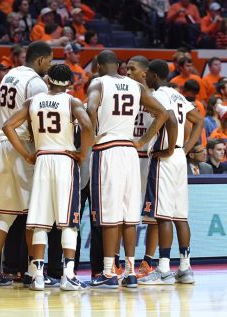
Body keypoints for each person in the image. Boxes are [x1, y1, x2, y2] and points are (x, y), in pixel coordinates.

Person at [3, 64, 92, 291]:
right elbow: (88, 124)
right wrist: (83, 153)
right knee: (68, 222)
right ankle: (69, 275)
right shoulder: (72, 102)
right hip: (64, 159)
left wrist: (26, 154)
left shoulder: (33, 101)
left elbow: (8, 126)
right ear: (69, 83)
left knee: (40, 221)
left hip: (42, 159)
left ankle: (38, 276)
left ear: (48, 80)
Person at [86, 51, 168, 288]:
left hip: (108, 149)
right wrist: (142, 141)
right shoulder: (135, 86)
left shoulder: (98, 83)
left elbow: (91, 108)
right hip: (130, 152)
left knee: (110, 217)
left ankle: (109, 273)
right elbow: (162, 113)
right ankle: (130, 272)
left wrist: (91, 135)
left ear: (100, 66)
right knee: (129, 217)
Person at [0, 41, 53, 287]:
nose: (50, 66)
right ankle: (34, 271)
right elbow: (37, 121)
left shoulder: (9, 76)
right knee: (34, 212)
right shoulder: (37, 83)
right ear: (41, 60)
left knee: (6, 212)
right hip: (22, 145)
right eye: (50, 61)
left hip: (3, 144)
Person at [138, 58, 203, 285]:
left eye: (147, 75)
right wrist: (184, 149)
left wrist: (166, 147)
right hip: (178, 159)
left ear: (154, 75)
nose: (145, 77)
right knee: (180, 216)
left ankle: (164, 268)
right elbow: (199, 120)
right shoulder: (177, 95)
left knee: (163, 215)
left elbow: (170, 119)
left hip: (165, 158)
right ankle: (185, 268)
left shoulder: (157, 96)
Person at [126, 56, 157, 278]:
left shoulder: (157, 98)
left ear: (144, 73)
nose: (127, 72)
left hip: (147, 158)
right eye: (126, 68)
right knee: (122, 214)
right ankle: (121, 262)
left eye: (132, 69)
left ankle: (148, 262)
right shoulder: (124, 94)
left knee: (152, 216)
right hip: (127, 158)